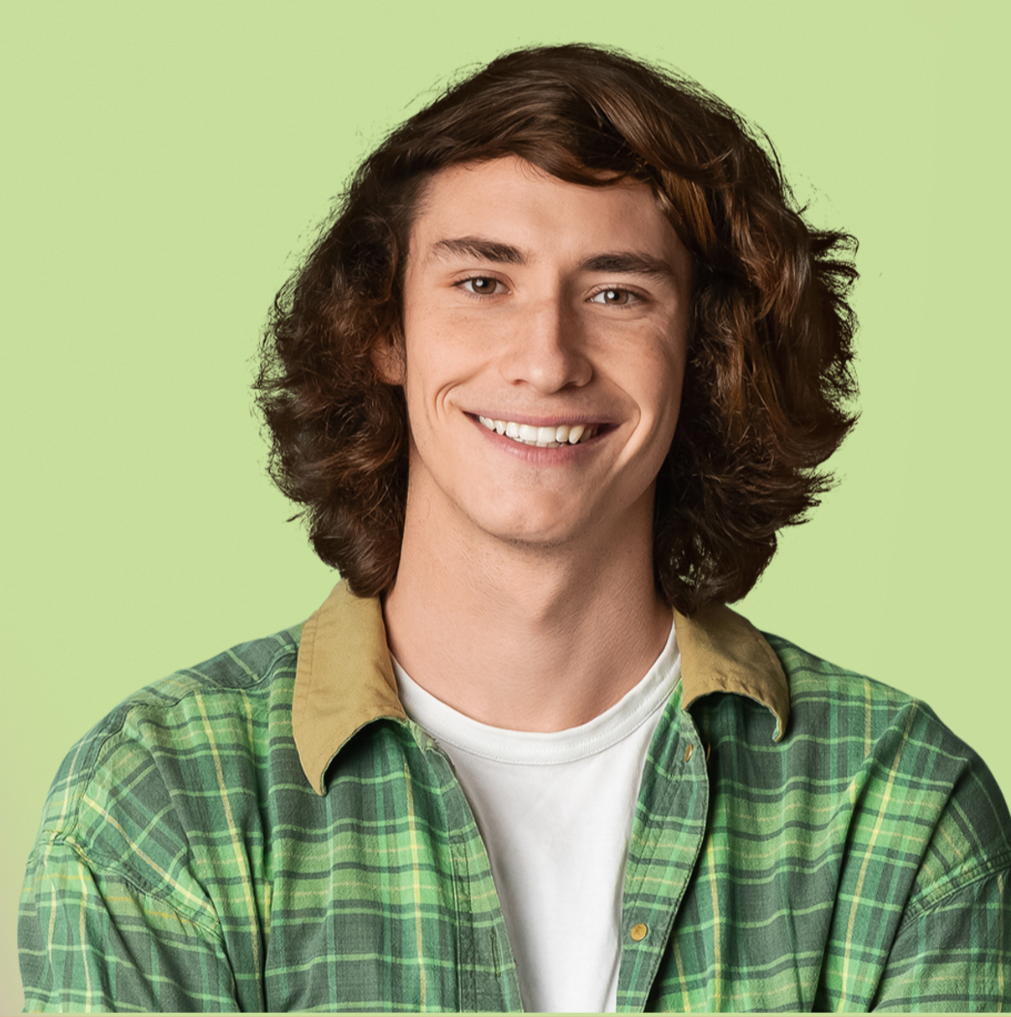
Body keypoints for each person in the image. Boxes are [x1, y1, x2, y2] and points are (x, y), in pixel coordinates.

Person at [18, 44, 1010, 1013]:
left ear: (707, 353)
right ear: (385, 332)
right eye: (483, 283)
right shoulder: (163, 804)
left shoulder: (895, 807)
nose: (547, 359)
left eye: (617, 292)